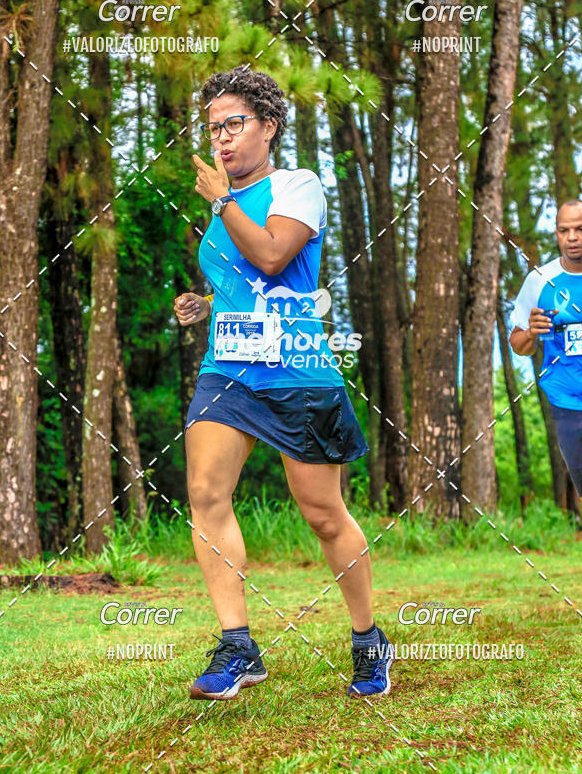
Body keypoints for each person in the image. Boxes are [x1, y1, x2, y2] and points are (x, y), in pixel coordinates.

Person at [173, 67, 392, 701]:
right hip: (229, 372)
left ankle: (367, 638)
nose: (221, 139)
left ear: (268, 128)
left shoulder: (298, 185)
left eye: (234, 124)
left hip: (297, 371)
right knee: (206, 492)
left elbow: (272, 256)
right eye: (213, 129)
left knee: (323, 513)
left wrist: (221, 202)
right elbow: (249, 286)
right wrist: (207, 306)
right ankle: (237, 644)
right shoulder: (224, 209)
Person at [509, 198, 582, 520]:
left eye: (580, 229)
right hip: (568, 406)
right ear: (556, 235)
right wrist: (530, 332)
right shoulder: (540, 281)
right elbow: (518, 344)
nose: (572, 237)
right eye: (564, 230)